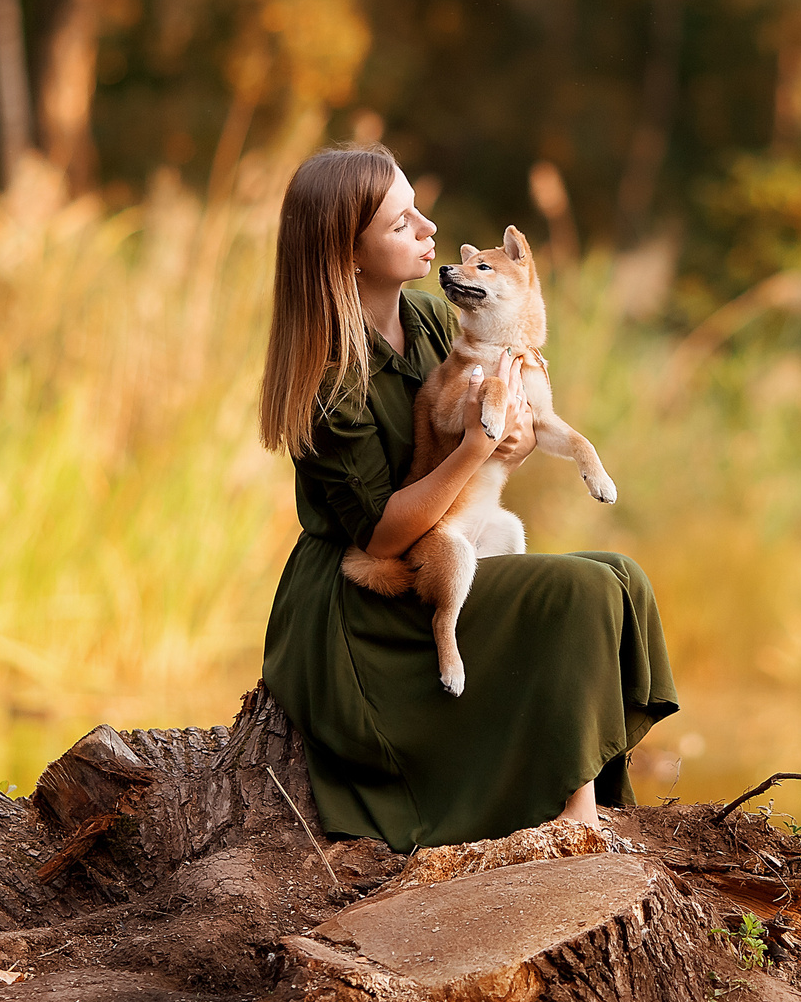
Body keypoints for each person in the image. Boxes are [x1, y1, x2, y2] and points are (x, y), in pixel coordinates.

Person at [257, 142, 678, 851]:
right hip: (364, 608)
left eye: (417, 208)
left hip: (443, 548)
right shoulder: (331, 376)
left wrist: (512, 437)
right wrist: (480, 445)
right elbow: (382, 537)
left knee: (619, 575)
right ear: (348, 253)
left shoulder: (426, 319)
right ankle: (573, 817)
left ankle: (590, 794)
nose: (427, 229)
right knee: (579, 592)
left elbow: (491, 404)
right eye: (400, 224)